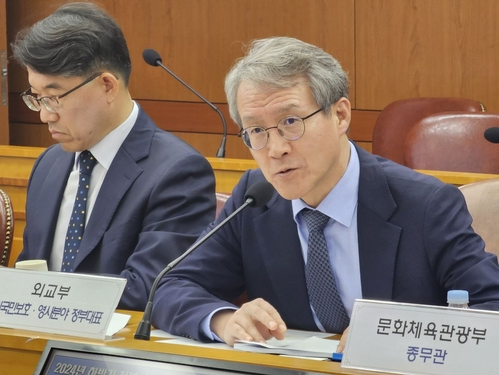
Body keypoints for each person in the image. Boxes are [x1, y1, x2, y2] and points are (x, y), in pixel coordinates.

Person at [150, 36, 499, 350]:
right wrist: (224, 320)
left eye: (290, 122)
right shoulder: (255, 199)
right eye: (256, 130)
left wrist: (395, 335)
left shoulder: (424, 204)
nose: (275, 149)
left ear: (341, 115)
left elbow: (491, 306)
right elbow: (171, 286)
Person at [11, 2, 216, 311]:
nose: (44, 115)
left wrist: (51, 300)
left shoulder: (178, 172)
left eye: (53, 98)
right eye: (36, 98)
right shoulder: (48, 165)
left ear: (107, 85)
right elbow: (30, 272)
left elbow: (149, 289)